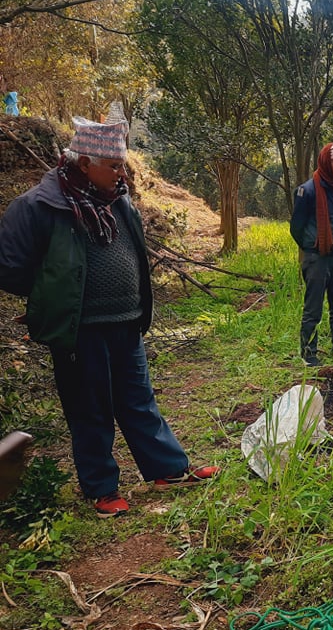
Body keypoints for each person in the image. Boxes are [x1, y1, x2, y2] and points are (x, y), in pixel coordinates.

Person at [0, 116, 219, 518]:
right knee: (89, 409)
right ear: (85, 164)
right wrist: (52, 295)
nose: (123, 173)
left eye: (123, 165)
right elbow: (10, 268)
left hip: (125, 320)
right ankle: (101, 488)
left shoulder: (118, 199)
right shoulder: (39, 206)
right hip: (79, 330)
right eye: (114, 166)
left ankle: (168, 469)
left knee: (139, 400)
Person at [290, 142, 333, 364]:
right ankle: (309, 354)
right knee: (313, 309)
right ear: (328, 164)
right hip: (316, 259)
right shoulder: (307, 191)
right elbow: (296, 228)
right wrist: (312, 248)